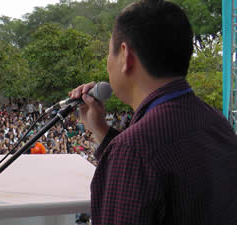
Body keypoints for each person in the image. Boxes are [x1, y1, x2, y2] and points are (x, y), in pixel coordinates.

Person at [69, 0, 237, 224]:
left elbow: (143, 155)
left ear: (125, 55)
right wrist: (100, 130)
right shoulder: (217, 123)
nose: (108, 64)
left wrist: (119, 147)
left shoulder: (133, 150)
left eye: (109, 53)